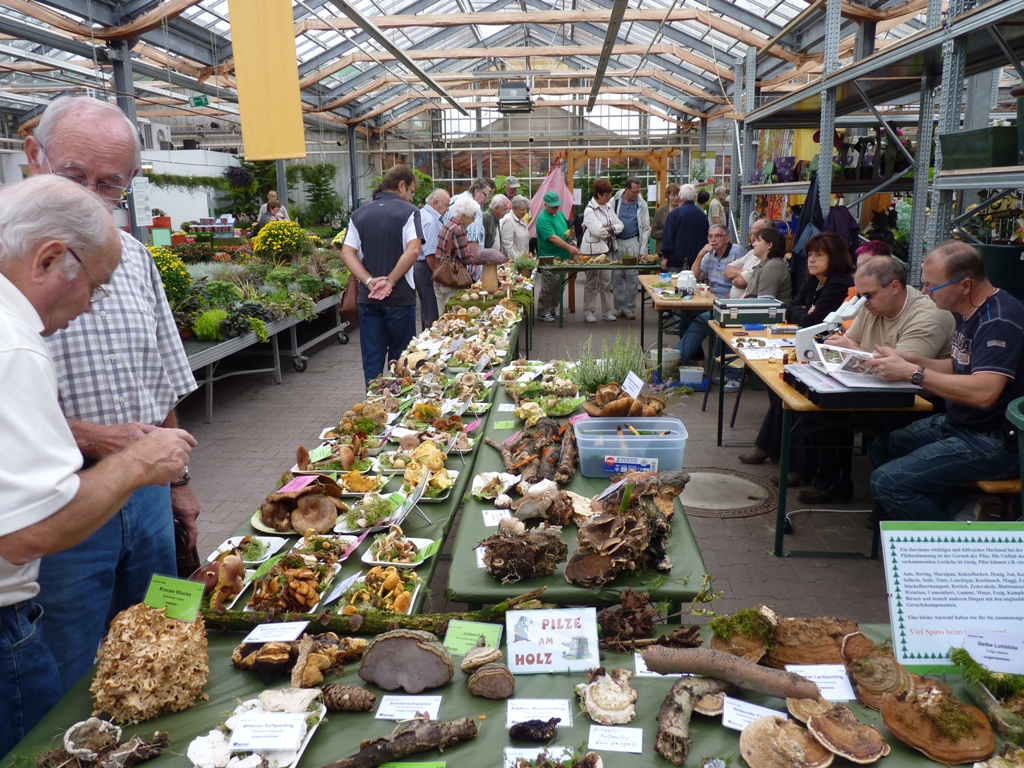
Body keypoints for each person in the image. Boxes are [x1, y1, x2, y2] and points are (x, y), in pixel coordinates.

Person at [0, 175, 196, 754]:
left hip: (135, 509)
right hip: (11, 612)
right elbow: (30, 530)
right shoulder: (15, 346)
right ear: (50, 258)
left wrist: (173, 482)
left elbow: (164, 371)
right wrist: (138, 462)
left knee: (153, 624)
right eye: (94, 285)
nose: (91, 304)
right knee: (42, 738)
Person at [25, 95, 200, 695]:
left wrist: (177, 484)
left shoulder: (135, 260)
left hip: (147, 498)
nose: (90, 197)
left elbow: (164, 377)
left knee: (163, 651)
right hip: (59, 509)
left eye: (109, 185)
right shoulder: (9, 272)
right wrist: (104, 441)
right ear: (32, 158)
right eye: (74, 177)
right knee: (69, 673)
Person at [867, 241, 1024, 522]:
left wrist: (912, 373)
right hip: (962, 424)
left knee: (887, 482)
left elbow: (984, 392)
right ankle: (959, 510)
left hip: (995, 441)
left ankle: (954, 542)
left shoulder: (998, 320)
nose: (925, 293)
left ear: (965, 285)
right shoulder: (972, 309)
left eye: (932, 286)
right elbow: (958, 365)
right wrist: (909, 359)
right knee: (882, 446)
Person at [787, 254, 956, 504]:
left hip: (917, 399)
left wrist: (852, 351)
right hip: (877, 386)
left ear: (895, 287)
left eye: (868, 295)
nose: (862, 302)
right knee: (816, 403)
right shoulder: (873, 303)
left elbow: (899, 370)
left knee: (832, 411)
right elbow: (852, 342)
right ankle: (831, 482)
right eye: (860, 295)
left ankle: (883, 500)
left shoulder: (928, 316)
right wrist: (851, 349)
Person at [739, 232, 855, 479]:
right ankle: (771, 449)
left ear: (833, 258)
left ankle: (792, 463)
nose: (811, 260)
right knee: (783, 388)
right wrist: (803, 313)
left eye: (819, 255)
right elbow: (792, 306)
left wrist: (803, 313)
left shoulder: (838, 284)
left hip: (827, 353)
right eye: (810, 255)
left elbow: (813, 320)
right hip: (808, 346)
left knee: (792, 390)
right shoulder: (815, 280)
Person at [341, 165, 423, 385]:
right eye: (411, 191)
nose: (411, 197)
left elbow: (347, 252)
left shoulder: (359, 214)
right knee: (402, 360)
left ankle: (373, 405)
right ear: (401, 185)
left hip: (368, 299)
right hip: (400, 298)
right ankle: (399, 411)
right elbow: (413, 250)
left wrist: (368, 281)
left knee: (372, 358)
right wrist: (390, 281)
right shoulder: (410, 212)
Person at [674, 224, 745, 391]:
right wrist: (700, 255)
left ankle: (676, 360)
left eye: (717, 236)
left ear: (727, 239)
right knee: (687, 313)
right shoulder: (708, 253)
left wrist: (732, 296)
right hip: (712, 299)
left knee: (705, 320)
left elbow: (744, 280)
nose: (713, 239)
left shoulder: (738, 252)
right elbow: (694, 276)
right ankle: (686, 357)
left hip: (732, 301)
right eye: (710, 236)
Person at [580, 178, 623, 323]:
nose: (609, 197)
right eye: (606, 194)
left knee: (606, 282)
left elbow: (620, 225)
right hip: (592, 250)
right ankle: (588, 312)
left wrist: (609, 229)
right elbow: (597, 231)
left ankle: (607, 312)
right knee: (591, 282)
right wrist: (611, 230)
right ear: (598, 194)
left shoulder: (609, 207)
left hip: (607, 249)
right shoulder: (589, 210)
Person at [535, 191, 580, 322]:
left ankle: (553, 309)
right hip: (549, 258)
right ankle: (543, 311)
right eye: (553, 206)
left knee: (560, 284)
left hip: (561, 258)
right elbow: (553, 238)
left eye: (557, 206)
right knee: (550, 284)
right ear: (545, 205)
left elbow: (563, 232)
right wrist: (569, 247)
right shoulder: (543, 219)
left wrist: (569, 236)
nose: (556, 208)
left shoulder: (559, 214)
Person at [610, 177, 650, 320]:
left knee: (632, 275)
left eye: (639, 191)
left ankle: (629, 308)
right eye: (634, 191)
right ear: (626, 190)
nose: (637, 194)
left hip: (632, 241)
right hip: (616, 242)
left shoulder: (641, 204)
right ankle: (619, 307)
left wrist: (643, 250)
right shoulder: (614, 201)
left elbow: (646, 228)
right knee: (616, 275)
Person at [433, 194, 480, 315]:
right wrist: (477, 259)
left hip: (440, 278)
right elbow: (465, 258)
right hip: (451, 280)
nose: (473, 221)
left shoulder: (448, 225)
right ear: (463, 216)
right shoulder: (459, 230)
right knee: (453, 317)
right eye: (472, 217)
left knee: (442, 317)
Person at [417, 188, 450, 331]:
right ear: (436, 203)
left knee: (427, 309)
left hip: (422, 267)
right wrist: (438, 274)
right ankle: (430, 347)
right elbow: (430, 253)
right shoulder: (430, 220)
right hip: (427, 267)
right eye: (446, 205)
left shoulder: (424, 215)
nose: (448, 209)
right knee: (432, 311)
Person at [444, 177, 493, 263]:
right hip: (462, 265)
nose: (486, 200)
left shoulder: (454, 200)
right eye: (486, 195)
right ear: (476, 191)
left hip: (447, 261)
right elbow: (472, 241)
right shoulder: (473, 209)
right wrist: (475, 264)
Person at [660, 184, 708, 271]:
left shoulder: (675, 214)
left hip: (677, 261)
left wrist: (665, 256)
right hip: (697, 261)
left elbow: (668, 236)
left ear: (680, 197)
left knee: (675, 283)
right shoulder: (702, 215)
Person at [724, 218, 773, 298]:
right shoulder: (752, 253)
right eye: (751, 234)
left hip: (747, 307)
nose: (753, 238)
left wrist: (735, 276)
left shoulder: (768, 260)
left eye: (757, 234)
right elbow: (726, 271)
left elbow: (740, 282)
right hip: (735, 304)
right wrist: (741, 273)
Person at [742, 227, 793, 303]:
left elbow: (764, 305)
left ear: (769, 245)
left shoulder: (772, 267)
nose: (754, 244)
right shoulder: (764, 264)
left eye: (758, 240)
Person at [651, 183, 680, 256]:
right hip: (662, 251)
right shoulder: (660, 211)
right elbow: (653, 233)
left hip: (679, 250)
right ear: (668, 196)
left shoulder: (683, 211)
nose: (676, 198)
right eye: (673, 195)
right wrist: (667, 231)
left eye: (678, 195)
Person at [500, 195, 531, 262]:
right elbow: (508, 244)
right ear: (514, 209)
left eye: (526, 209)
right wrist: (517, 260)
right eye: (522, 210)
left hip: (523, 260)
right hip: (513, 261)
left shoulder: (521, 219)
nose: (525, 212)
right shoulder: (509, 220)